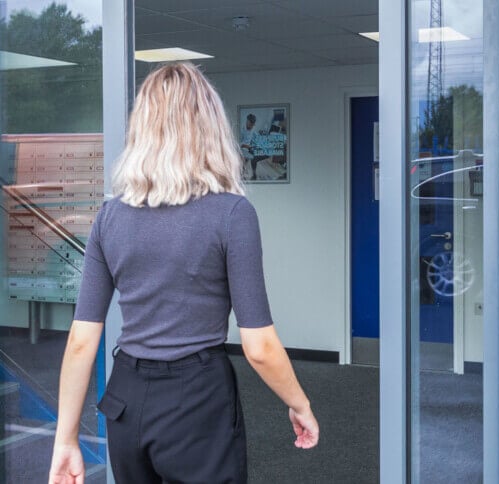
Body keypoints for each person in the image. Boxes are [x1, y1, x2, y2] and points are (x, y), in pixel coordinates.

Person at [48, 62, 319, 484]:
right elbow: (260, 346)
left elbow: (83, 341)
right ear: (209, 128)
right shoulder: (232, 214)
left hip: (126, 403)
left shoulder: (109, 218)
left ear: (142, 130)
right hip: (197, 404)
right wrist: (299, 403)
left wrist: (65, 441)